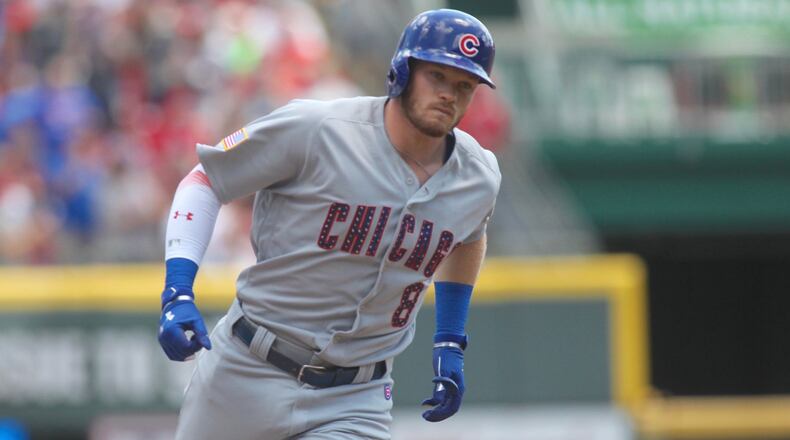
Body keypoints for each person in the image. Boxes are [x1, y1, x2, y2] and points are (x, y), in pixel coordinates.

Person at [157, 8, 501, 440]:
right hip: (247, 368)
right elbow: (206, 180)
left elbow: (468, 236)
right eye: (437, 77)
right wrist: (177, 288)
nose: (449, 94)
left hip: (356, 396)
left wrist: (450, 338)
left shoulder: (478, 175)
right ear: (403, 70)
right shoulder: (317, 128)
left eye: (464, 85)